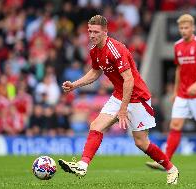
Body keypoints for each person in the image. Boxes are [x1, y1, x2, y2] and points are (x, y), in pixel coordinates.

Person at [58, 15, 179, 185]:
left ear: (105, 32)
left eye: (96, 32)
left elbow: (129, 80)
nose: (92, 35)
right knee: (96, 125)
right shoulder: (94, 50)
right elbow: (95, 72)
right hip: (119, 95)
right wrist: (75, 85)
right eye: (90, 31)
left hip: (137, 98)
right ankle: (82, 165)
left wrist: (123, 109)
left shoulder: (115, 49)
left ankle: (172, 169)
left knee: (141, 142)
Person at [146, 14, 196, 172]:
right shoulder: (177, 46)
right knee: (175, 125)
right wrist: (176, 91)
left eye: (186, 28)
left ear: (193, 28)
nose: (184, 31)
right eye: (181, 28)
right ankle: (165, 162)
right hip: (183, 94)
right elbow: (179, 69)